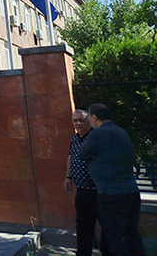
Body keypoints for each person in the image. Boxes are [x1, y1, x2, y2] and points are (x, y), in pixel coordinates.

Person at [78, 104, 146, 256]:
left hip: (111, 194)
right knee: (131, 233)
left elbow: (82, 154)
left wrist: (94, 157)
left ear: (94, 117)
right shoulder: (121, 132)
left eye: (89, 117)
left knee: (116, 237)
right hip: (131, 191)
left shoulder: (98, 133)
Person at [65, 109, 105, 256]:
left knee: (106, 224)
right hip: (82, 190)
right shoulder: (74, 139)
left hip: (99, 190)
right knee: (83, 225)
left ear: (89, 121)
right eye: (75, 121)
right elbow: (71, 157)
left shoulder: (95, 137)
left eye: (82, 120)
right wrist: (68, 177)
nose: (79, 124)